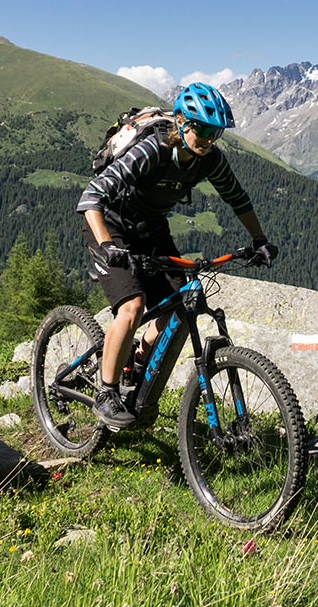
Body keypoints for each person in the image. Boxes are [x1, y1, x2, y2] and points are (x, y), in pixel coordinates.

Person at [76, 82, 277, 429]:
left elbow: (238, 199)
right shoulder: (151, 151)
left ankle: (136, 361)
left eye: (215, 133)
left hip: (152, 227)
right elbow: (91, 197)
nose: (208, 139)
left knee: (179, 306)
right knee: (132, 306)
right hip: (110, 225)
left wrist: (259, 240)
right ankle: (107, 393)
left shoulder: (210, 159)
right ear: (181, 122)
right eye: (202, 129)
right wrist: (108, 245)